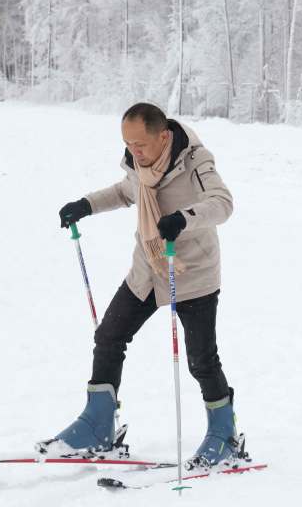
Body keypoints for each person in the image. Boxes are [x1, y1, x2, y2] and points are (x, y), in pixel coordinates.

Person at [39, 102, 242, 469]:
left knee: (202, 360)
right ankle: (97, 425)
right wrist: (85, 204)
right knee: (109, 336)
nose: (134, 151)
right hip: (149, 267)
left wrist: (184, 218)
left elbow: (223, 203)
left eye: (141, 144)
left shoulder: (194, 162)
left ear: (163, 136)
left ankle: (224, 435)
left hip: (192, 272)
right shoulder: (140, 163)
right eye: (128, 144)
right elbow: (124, 191)